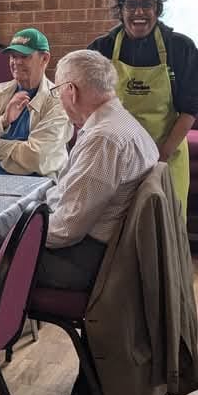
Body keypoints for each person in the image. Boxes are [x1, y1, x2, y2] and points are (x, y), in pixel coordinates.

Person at [37, 50, 159, 292]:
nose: (59, 98)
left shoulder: (103, 139)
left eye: (57, 90)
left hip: (88, 259)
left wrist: (15, 233)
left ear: (71, 92)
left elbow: (67, 230)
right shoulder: (121, 121)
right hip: (103, 248)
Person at [89, 0, 198, 220]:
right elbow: (85, 101)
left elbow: (190, 108)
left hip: (166, 151)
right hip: (117, 156)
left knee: (165, 226)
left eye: (147, 5)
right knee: (117, 228)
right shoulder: (102, 49)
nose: (139, 12)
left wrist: (160, 155)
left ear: (158, 9)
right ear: (120, 10)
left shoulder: (180, 48)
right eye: (131, 6)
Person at [0, 27, 71, 177]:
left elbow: (36, 157)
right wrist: (3, 121)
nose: (16, 62)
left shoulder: (58, 100)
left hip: (33, 183)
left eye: (24, 56)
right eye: (13, 56)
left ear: (44, 59)